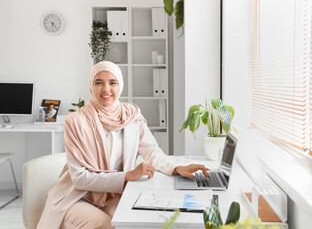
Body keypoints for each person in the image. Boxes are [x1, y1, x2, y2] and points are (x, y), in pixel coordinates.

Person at [37, 61, 209, 229]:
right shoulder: (75, 121)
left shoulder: (131, 115)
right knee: (106, 226)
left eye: (113, 83)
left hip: (113, 195)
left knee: (133, 221)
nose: (106, 89)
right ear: (91, 86)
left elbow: (151, 152)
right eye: (99, 83)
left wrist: (176, 168)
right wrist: (127, 176)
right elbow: (80, 179)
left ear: (121, 86)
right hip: (77, 197)